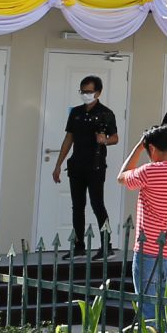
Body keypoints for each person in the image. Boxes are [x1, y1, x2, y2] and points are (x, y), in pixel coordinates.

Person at [118, 127, 167, 332]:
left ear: (152, 148)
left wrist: (138, 147)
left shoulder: (149, 172)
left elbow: (122, 177)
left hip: (149, 251)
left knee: (149, 312)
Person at [51, 76, 118, 254]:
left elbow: (115, 138)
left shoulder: (106, 113)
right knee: (77, 206)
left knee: (97, 204)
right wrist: (58, 164)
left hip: (96, 166)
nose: (85, 94)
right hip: (77, 165)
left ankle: (106, 245)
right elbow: (69, 138)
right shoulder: (76, 112)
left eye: (89, 91)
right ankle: (79, 246)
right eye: (82, 91)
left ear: (98, 92)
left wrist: (105, 140)